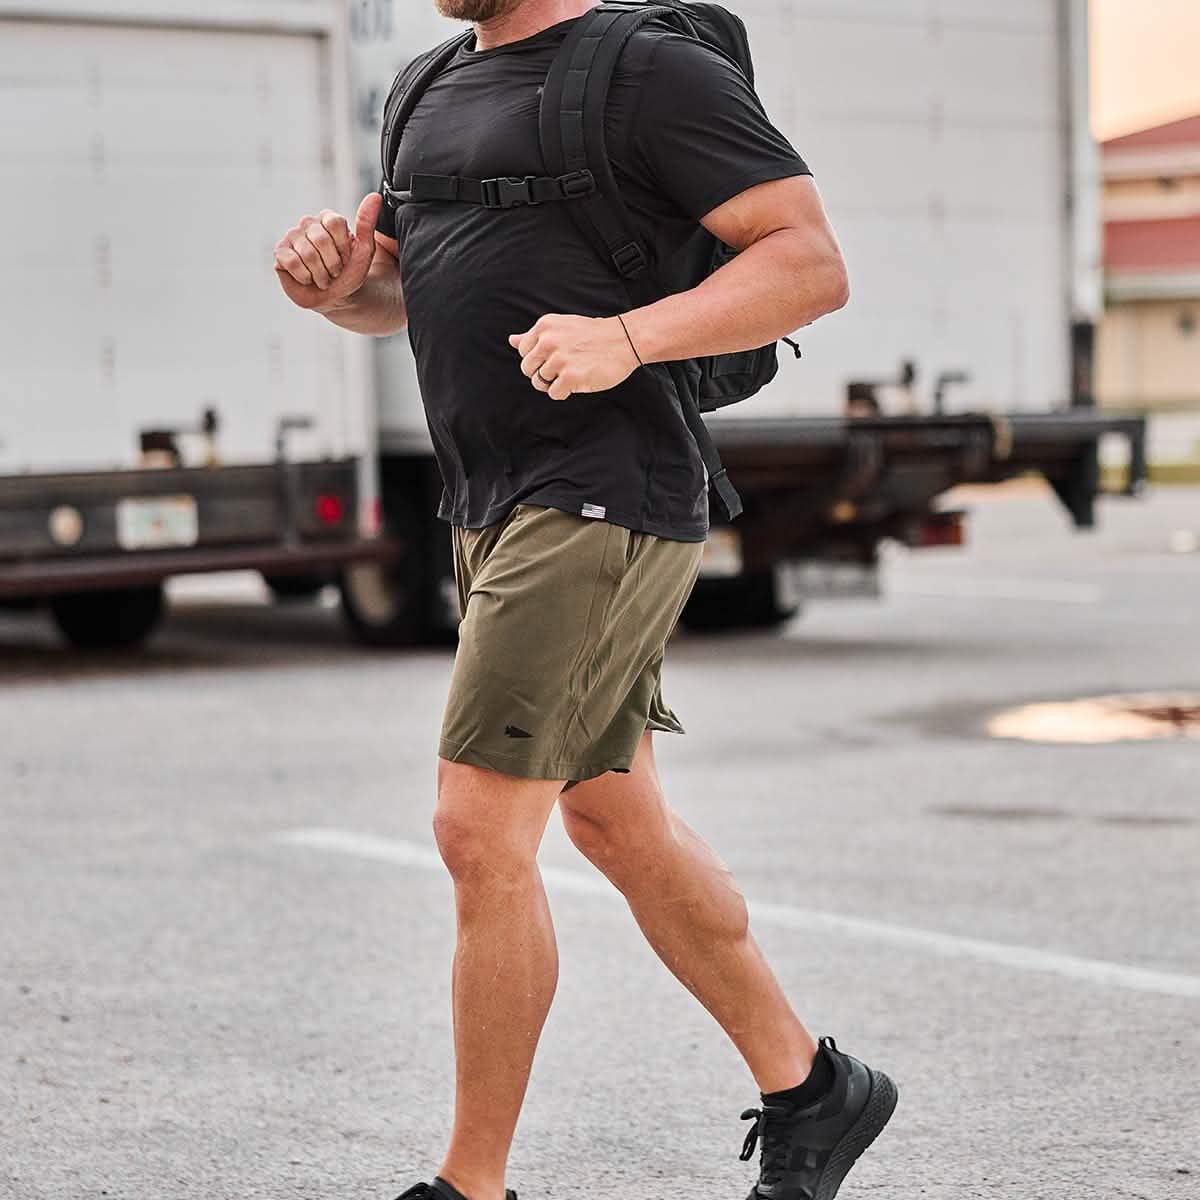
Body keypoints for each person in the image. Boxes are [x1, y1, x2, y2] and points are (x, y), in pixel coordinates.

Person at [273, 3, 896, 1199]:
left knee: (478, 830)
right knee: (614, 818)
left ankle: (471, 1184)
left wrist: (631, 337)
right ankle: (813, 1089)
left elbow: (809, 263)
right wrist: (342, 287)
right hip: (485, 497)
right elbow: (403, 294)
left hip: (603, 489)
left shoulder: (649, 70)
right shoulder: (424, 85)